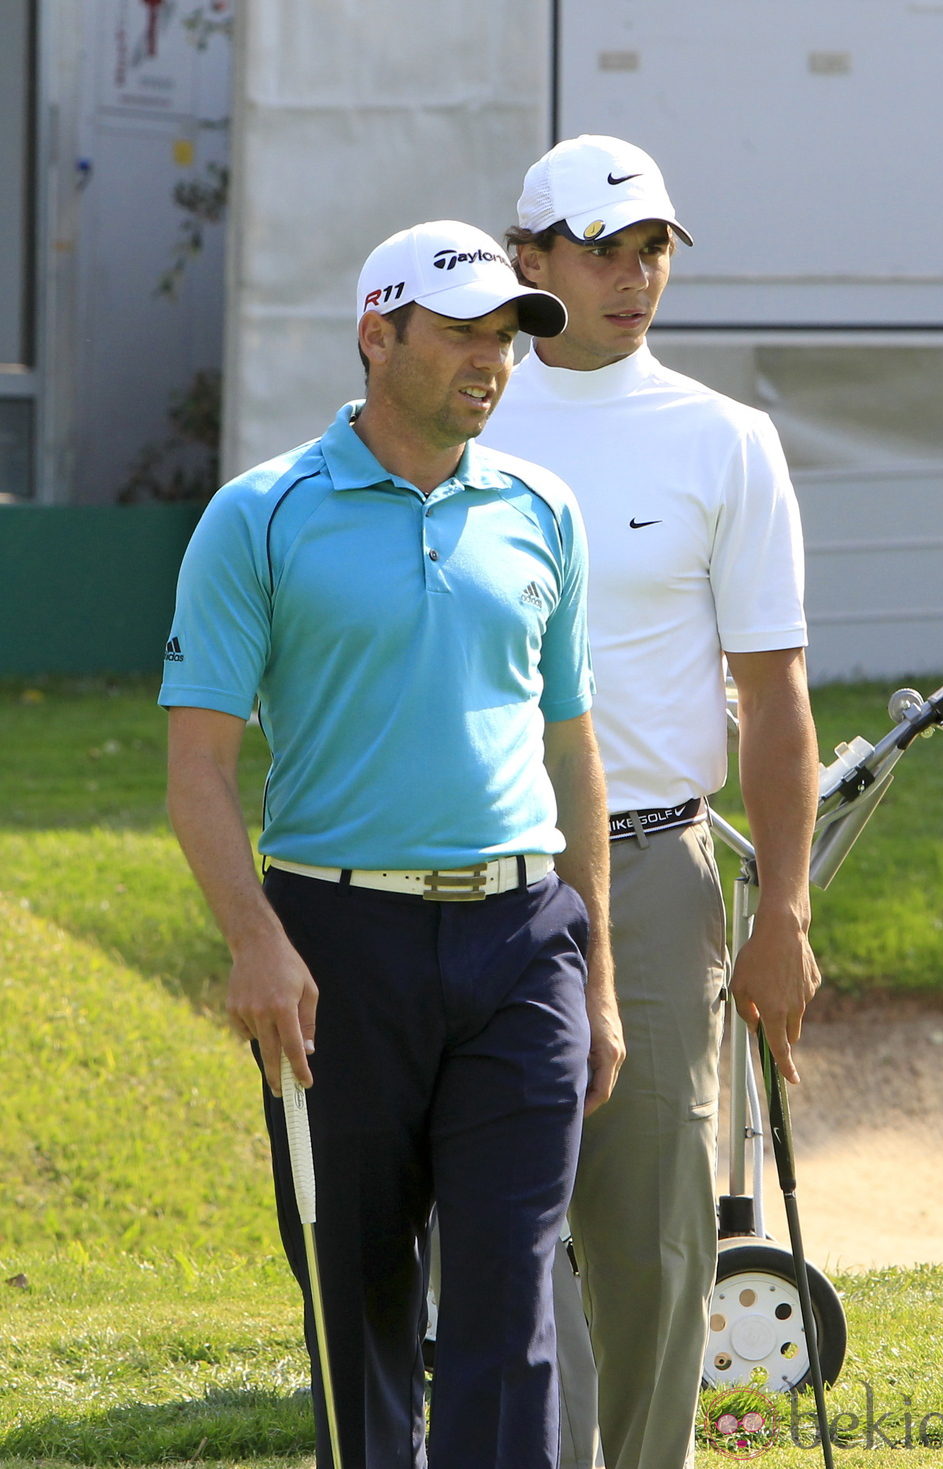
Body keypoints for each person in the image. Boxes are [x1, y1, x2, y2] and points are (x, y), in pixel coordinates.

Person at [160, 218, 625, 1469]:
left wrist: (602, 978)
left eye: (508, 338)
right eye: (466, 332)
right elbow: (197, 769)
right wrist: (254, 943)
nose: (494, 360)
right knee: (353, 1300)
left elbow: (572, 749)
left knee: (505, 1301)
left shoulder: (545, 511)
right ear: (380, 333)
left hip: (523, 943)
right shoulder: (259, 516)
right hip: (335, 942)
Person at [480, 136, 822, 1469]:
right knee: (498, 1219)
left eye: (654, 251)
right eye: (604, 251)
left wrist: (783, 908)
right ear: (530, 259)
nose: (634, 279)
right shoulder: (463, 421)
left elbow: (776, 695)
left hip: (659, 871)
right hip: (475, 867)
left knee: (654, 1228)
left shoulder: (724, 442)